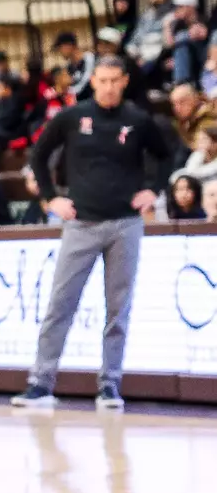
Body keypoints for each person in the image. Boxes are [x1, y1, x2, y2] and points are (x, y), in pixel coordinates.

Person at [13, 57, 172, 411]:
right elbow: (38, 157)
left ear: (125, 81)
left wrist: (154, 190)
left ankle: (110, 385)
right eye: (103, 80)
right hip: (80, 223)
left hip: (125, 225)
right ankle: (40, 384)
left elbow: (167, 156)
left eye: (116, 80)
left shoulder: (139, 120)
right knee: (59, 305)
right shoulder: (71, 117)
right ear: (94, 82)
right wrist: (50, 198)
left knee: (118, 309)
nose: (109, 86)